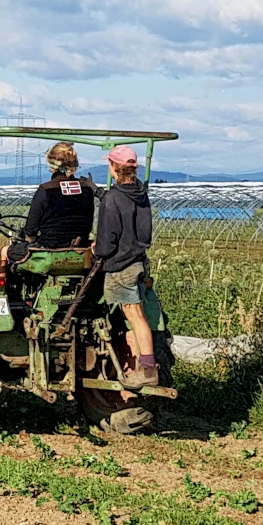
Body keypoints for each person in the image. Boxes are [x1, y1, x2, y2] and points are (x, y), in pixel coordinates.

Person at [93, 145, 157, 389]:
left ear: (113, 168)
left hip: (121, 266)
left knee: (134, 315)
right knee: (138, 315)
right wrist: (99, 193)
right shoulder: (141, 194)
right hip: (139, 260)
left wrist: (98, 251)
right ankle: (147, 365)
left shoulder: (112, 199)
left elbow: (106, 243)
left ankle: (148, 369)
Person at [1, 142, 98, 267]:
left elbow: (31, 230)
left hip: (49, 250)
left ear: (52, 166)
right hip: (80, 249)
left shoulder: (45, 190)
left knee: (1, 253)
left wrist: (31, 239)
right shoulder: (86, 189)